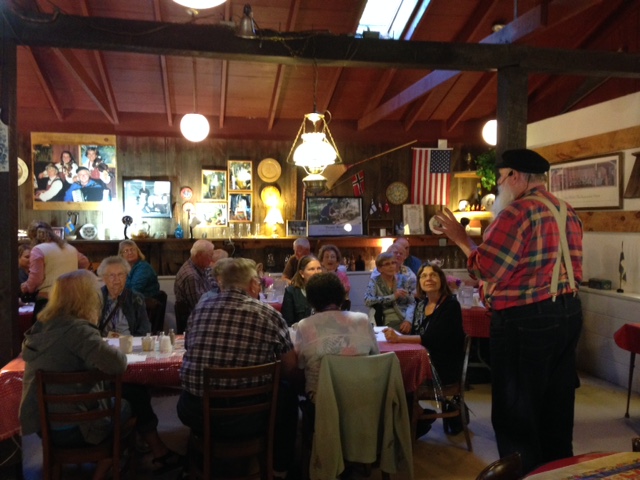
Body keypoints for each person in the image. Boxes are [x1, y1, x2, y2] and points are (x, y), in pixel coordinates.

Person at [434, 148, 583, 474]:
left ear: (515, 176)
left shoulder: (515, 213)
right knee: (557, 405)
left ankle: (524, 473)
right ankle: (558, 472)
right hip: (569, 312)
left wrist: (462, 239)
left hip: (526, 320)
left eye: (501, 179)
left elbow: (487, 269)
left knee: (516, 411)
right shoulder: (566, 210)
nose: (499, 186)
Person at [177, 258, 298, 478]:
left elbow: (187, 347)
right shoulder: (268, 314)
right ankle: (279, 467)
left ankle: (197, 461)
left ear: (221, 283)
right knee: (287, 392)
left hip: (195, 411)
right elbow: (290, 367)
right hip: (248, 417)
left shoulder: (200, 308)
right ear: (254, 284)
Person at [19, 270, 129, 479]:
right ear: (87, 297)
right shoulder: (78, 330)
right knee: (127, 405)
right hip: (76, 428)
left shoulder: (41, 327)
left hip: (44, 426)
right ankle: (104, 467)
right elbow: (118, 364)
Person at [294, 273, 379, 401]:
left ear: (311, 300)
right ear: (341, 295)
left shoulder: (305, 325)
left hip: (322, 401)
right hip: (363, 398)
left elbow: (300, 365)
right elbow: (376, 357)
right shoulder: (362, 320)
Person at [384, 263, 465, 386]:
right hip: (422, 358)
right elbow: (415, 333)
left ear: (442, 280)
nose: (428, 279)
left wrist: (399, 338)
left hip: (442, 366)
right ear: (419, 282)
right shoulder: (421, 305)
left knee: (396, 375)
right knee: (391, 369)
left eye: (433, 275)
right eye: (424, 276)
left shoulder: (451, 305)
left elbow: (433, 338)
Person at [21, 221, 90, 319]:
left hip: (48, 300)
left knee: (44, 328)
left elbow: (36, 279)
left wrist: (26, 287)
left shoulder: (38, 250)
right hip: (71, 300)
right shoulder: (69, 248)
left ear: (33, 237)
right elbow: (84, 262)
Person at [97, 256, 150, 337]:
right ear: (104, 278)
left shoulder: (136, 298)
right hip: (103, 342)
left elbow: (144, 329)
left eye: (120, 275)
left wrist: (132, 342)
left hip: (128, 342)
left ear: (126, 277)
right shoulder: (96, 297)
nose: (116, 279)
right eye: (111, 275)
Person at [364, 252, 415, 332]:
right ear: (380, 268)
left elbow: (412, 302)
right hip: (385, 320)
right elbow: (367, 300)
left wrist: (408, 320)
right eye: (387, 264)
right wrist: (393, 296)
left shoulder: (403, 279)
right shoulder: (375, 281)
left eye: (393, 263)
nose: (391, 266)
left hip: (405, 319)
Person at [281, 255, 322, 326]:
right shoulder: (291, 292)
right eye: (311, 269)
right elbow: (287, 323)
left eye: (319, 268)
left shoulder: (327, 291)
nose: (316, 272)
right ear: (302, 273)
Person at [317, 244, 351, 309]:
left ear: (337, 261)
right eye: (326, 257)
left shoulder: (342, 275)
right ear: (321, 261)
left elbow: (346, 289)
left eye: (332, 257)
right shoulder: (318, 276)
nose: (330, 259)